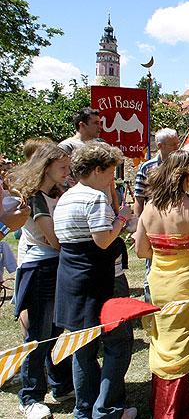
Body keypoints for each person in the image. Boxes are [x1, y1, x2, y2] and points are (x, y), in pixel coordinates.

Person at [52, 142, 136, 419]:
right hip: (101, 281)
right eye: (111, 173)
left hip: (71, 279)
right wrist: (123, 216)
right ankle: (108, 409)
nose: (113, 179)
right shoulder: (94, 197)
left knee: (82, 348)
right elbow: (103, 240)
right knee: (118, 343)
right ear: (98, 169)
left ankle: (85, 408)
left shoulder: (65, 197)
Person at [134, 150, 189, 419]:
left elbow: (141, 251)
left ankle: (179, 399)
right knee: (179, 350)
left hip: (159, 284)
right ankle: (167, 413)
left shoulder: (149, 207)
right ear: (186, 175)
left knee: (165, 345)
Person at [9, 144, 74, 419]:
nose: (68, 172)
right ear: (47, 167)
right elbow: (56, 238)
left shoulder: (59, 191)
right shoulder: (36, 197)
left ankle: (61, 386)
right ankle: (31, 398)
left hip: (57, 266)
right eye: (63, 167)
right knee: (38, 335)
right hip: (40, 269)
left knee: (57, 332)